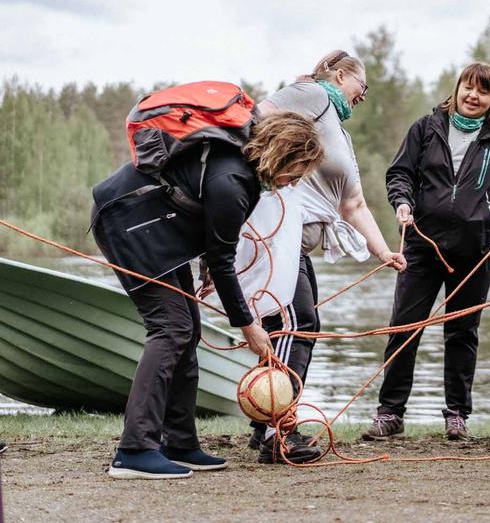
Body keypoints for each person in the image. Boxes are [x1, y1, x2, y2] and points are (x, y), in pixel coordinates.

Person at [91, 112, 325, 479]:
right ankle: (134, 449)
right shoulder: (233, 180)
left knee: (189, 330)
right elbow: (222, 259)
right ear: (281, 155)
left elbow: (211, 233)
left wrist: (206, 269)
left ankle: (179, 442)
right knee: (171, 329)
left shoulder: (240, 169)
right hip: (127, 224)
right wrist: (248, 326)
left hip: (159, 233)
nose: (294, 181)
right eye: (296, 170)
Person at [363, 62, 490, 441]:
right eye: (468, 87)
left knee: (462, 332)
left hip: (475, 250)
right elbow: (400, 173)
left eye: (483, 91)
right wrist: (401, 201)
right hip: (421, 245)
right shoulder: (425, 129)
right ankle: (390, 413)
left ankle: (457, 414)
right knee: (404, 328)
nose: (473, 96)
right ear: (457, 88)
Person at [244, 50, 407, 464]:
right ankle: (277, 431)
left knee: (301, 325)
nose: (364, 97)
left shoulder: (335, 126)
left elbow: (353, 203)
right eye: (362, 87)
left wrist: (382, 250)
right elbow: (257, 116)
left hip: (297, 246)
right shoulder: (313, 95)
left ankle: (268, 423)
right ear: (339, 74)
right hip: (279, 237)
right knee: (295, 324)